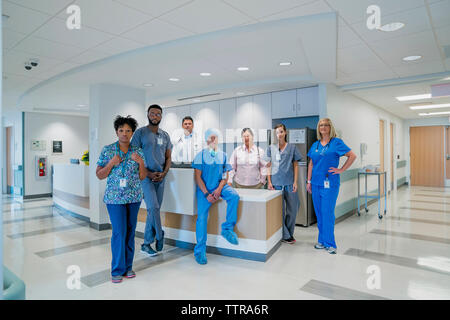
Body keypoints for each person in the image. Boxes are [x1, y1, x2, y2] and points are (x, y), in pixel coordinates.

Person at [96, 115, 147, 284]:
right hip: (115, 198)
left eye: (128, 131)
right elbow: (99, 175)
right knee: (119, 232)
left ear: (132, 133)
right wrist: (111, 163)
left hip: (133, 197)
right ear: (116, 132)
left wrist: (140, 163)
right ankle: (117, 270)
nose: (124, 134)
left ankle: (128, 267)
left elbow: (142, 176)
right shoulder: (108, 150)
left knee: (130, 232)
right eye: (121, 130)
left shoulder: (138, 151)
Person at [307, 118, 356, 254]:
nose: (323, 127)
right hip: (316, 183)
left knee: (327, 213)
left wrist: (341, 169)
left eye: (326, 125)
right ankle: (322, 241)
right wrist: (308, 181)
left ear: (330, 127)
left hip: (330, 184)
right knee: (319, 214)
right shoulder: (315, 145)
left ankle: (330, 243)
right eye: (321, 125)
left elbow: (352, 156)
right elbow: (311, 164)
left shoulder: (336, 143)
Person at [191, 128, 240, 265]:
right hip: (204, 190)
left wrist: (219, 189)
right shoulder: (200, 156)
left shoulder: (223, 155)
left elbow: (225, 176)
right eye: (210, 138)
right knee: (201, 218)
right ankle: (200, 252)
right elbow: (198, 178)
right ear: (207, 140)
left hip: (220, 186)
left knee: (234, 196)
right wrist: (207, 194)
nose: (213, 140)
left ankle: (227, 229)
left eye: (215, 137)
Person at [131, 104, 172, 257]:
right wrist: (147, 173)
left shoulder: (165, 135)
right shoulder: (140, 133)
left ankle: (146, 244)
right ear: (148, 115)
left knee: (152, 211)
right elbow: (134, 157)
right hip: (145, 177)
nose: (155, 116)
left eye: (158, 114)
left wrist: (164, 172)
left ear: (161, 116)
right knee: (153, 207)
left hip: (161, 178)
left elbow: (168, 157)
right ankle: (160, 235)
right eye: (152, 113)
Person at [267, 124, 302, 244]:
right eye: (277, 132)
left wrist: (295, 182)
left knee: (293, 209)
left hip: (289, 183)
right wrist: (269, 182)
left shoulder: (292, 147)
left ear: (285, 132)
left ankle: (287, 233)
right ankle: (286, 235)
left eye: (281, 132)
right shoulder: (271, 148)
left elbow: (296, 165)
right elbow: (268, 165)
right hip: (276, 184)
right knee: (278, 211)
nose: (279, 134)